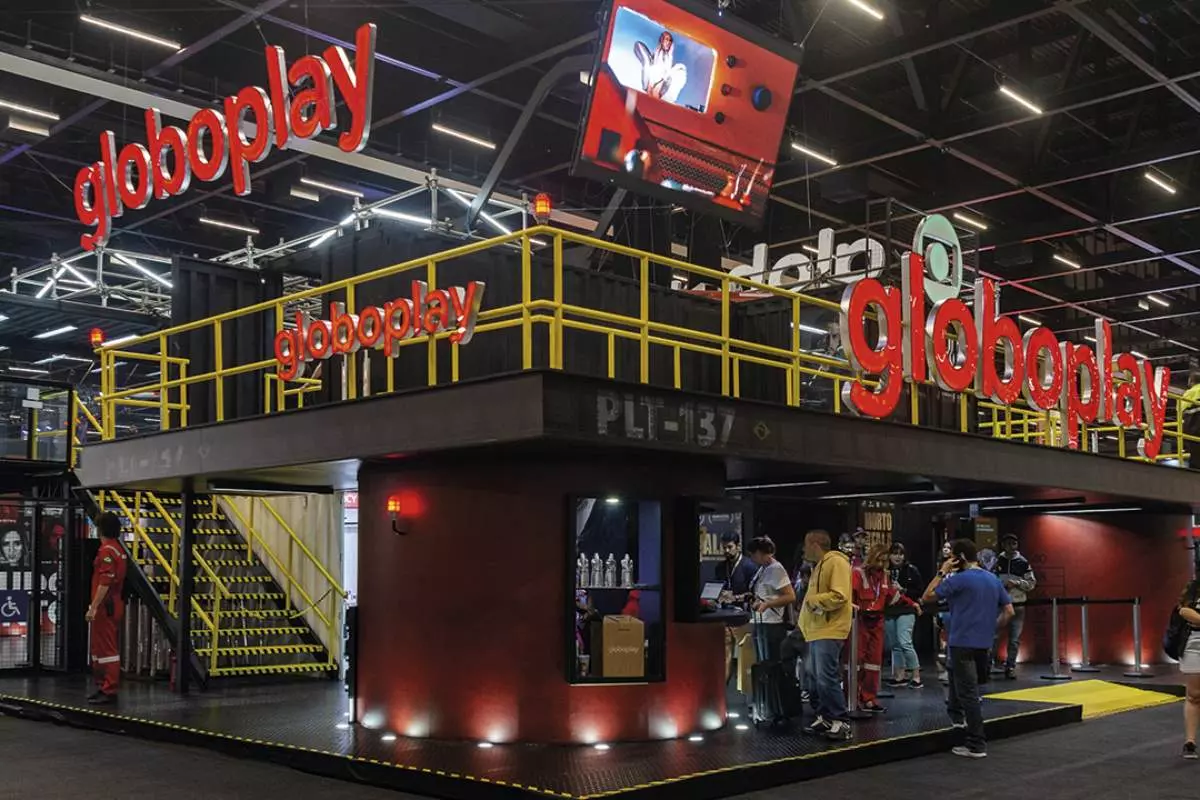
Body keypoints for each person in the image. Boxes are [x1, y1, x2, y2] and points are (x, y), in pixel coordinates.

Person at [923, 539, 1014, 759]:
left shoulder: (959, 580)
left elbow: (927, 596)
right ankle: (957, 722)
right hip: (983, 643)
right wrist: (991, 628)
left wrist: (942, 571)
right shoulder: (992, 579)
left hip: (962, 642)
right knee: (959, 682)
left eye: (952, 557)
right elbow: (1009, 611)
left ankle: (976, 744)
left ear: (960, 558)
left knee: (969, 693)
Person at [799, 529, 853, 741]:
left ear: (814, 544)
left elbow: (839, 595)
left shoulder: (836, 562)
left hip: (829, 629)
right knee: (815, 678)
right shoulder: (820, 565)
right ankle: (826, 717)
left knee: (826, 677)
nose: (804, 549)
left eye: (806, 544)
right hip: (816, 630)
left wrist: (814, 601)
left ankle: (841, 721)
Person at [853, 544, 919, 712]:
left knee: (874, 663)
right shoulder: (857, 574)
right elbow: (849, 596)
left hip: (877, 622)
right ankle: (852, 698)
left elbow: (893, 595)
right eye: (879, 560)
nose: (882, 564)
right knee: (856, 661)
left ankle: (869, 698)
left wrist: (912, 604)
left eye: (884, 561)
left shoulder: (884, 577)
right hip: (859, 621)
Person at [86, 512, 128, 704]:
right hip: (112, 603)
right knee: (100, 647)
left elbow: (105, 581)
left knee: (107, 649)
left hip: (106, 605)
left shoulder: (107, 551)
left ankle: (109, 688)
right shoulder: (118, 549)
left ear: (100, 529)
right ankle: (103, 686)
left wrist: (93, 607)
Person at [992, 533, 1036, 679]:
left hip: (1018, 605)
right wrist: (1000, 585)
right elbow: (990, 579)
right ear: (1003, 545)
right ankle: (989, 664)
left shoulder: (1023, 562)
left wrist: (1017, 583)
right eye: (1008, 543)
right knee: (993, 636)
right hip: (1000, 605)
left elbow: (1031, 583)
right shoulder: (996, 561)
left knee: (1014, 639)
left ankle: (1010, 666)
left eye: (1014, 543)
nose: (1011, 546)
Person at [717, 532, 758, 690]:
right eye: (724, 547)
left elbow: (755, 593)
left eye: (729, 547)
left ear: (738, 546)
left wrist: (735, 597)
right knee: (725, 651)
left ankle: (747, 691)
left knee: (745, 655)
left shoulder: (749, 567)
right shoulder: (721, 567)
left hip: (744, 617)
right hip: (725, 615)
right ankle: (722, 688)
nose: (726, 551)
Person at [747, 537, 795, 664]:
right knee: (762, 663)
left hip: (772, 625)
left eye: (753, 555)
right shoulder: (762, 569)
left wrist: (768, 604)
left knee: (772, 664)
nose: (752, 559)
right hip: (760, 621)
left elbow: (790, 596)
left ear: (759, 553)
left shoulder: (776, 569)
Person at [885, 542, 925, 688]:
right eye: (894, 553)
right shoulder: (885, 571)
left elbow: (919, 591)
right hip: (889, 610)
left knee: (905, 642)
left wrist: (903, 590)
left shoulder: (911, 570)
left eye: (900, 554)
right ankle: (899, 676)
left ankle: (916, 676)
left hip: (907, 609)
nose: (897, 557)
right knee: (895, 645)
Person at [1177, 579, 1200, 759]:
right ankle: (1190, 742)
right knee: (1194, 695)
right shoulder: (1195, 587)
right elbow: (1183, 610)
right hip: (1195, 645)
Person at [634, 30, 687, 103]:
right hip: (653, 81)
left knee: (680, 68)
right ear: (662, 40)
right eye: (667, 39)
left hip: (660, 83)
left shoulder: (668, 56)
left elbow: (666, 73)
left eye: (670, 40)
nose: (669, 42)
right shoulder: (657, 53)